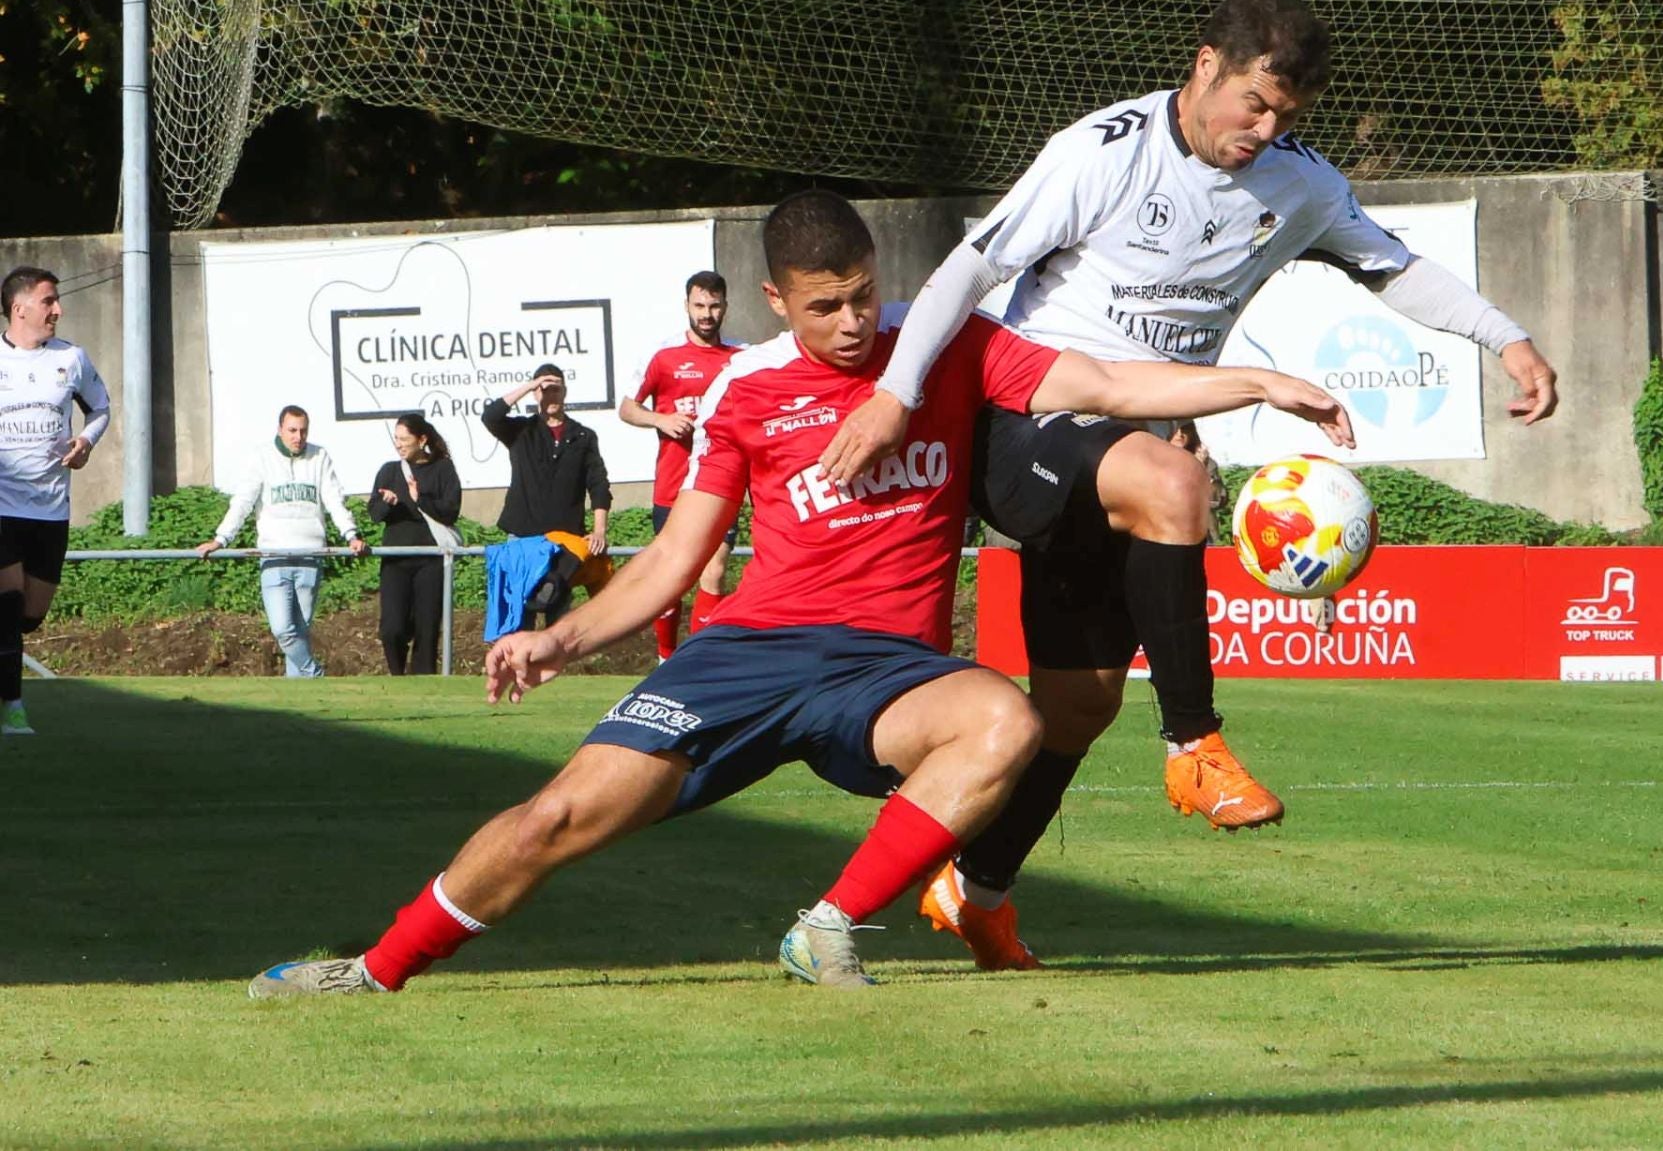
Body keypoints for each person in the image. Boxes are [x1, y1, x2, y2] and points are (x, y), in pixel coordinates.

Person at [246, 189, 1350, 998]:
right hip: (749, 654)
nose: (855, 323)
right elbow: (679, 558)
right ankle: (375, 969)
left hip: (887, 673)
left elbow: (1107, 384)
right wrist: (564, 637)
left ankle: (827, 927)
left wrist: (1260, 381)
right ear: (778, 299)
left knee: (1005, 717)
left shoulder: (946, 342)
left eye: (865, 295)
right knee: (556, 820)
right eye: (825, 306)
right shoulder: (747, 389)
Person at [816, 0, 1559, 968]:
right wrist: (898, 395)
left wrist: (1507, 341)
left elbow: (1393, 267)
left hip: (1130, 445)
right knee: (1176, 484)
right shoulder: (1104, 151)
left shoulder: (1299, 183)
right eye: (1252, 103)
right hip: (1032, 412)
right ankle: (1194, 745)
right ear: (1205, 63)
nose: (1263, 129)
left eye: (1286, 117)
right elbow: (969, 270)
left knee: (1078, 704)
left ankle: (977, 889)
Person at [0, 266, 111, 736]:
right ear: (19, 308)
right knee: (7, 605)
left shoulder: (72, 359)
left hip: (50, 509)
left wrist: (85, 441)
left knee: (29, 616)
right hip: (2, 506)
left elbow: (101, 408)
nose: (58, 310)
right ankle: (13, 708)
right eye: (49, 301)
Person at [619, 271, 742, 659]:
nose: (707, 314)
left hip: (722, 485)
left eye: (714, 306)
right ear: (687, 306)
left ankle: (699, 662)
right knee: (671, 578)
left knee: (715, 570)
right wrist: (660, 419)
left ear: (725, 306)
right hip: (674, 486)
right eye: (699, 306)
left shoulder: (743, 358)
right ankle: (665, 657)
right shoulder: (665, 356)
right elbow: (627, 408)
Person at [196, 406, 367, 677]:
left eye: (303, 431)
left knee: (300, 631)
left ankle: (298, 695)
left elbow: (334, 499)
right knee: (283, 630)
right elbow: (242, 502)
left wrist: (351, 534)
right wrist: (221, 539)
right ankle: (314, 674)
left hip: (311, 556)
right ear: (280, 429)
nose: (298, 437)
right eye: (292, 430)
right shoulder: (261, 458)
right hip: (274, 556)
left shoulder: (319, 456)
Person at [482, 364, 611, 625]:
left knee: (558, 619)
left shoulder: (583, 436)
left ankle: (554, 667)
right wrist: (531, 385)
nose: (550, 396)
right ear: (535, 394)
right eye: (544, 390)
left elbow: (598, 485)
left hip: (564, 541)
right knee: (519, 618)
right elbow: (491, 416)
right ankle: (519, 667)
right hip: (523, 537)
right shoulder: (521, 431)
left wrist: (599, 530)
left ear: (565, 392)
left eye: (556, 389)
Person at [367, 413, 463, 674]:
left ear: (421, 440)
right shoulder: (389, 470)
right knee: (392, 629)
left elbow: (450, 511)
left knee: (427, 628)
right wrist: (386, 504)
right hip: (396, 561)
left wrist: (420, 499)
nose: (399, 444)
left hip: (431, 561)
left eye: (404, 439)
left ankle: (425, 682)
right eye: (396, 438)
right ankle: (397, 676)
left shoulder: (443, 468)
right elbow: (374, 514)